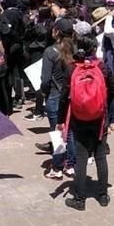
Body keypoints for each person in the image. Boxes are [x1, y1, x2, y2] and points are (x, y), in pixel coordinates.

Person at [62, 35, 113, 211]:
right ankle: (103, 195)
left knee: (81, 157)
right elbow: (113, 90)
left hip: (78, 118)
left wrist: (61, 120)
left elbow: (64, 96)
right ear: (94, 48)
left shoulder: (71, 68)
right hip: (100, 118)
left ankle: (80, 198)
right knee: (100, 156)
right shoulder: (102, 67)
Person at [39, 18, 76, 179]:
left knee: (58, 133)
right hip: (72, 96)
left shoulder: (50, 52)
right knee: (70, 133)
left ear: (57, 32)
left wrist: (43, 93)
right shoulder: (75, 50)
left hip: (55, 96)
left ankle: (57, 166)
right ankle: (71, 164)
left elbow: (45, 79)